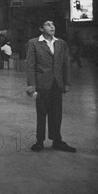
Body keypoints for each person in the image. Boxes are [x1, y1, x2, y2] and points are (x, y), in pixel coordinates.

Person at [26, 20, 76, 153]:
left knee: (57, 114)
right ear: (41, 28)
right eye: (48, 25)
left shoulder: (61, 43)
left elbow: (66, 65)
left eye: (53, 24)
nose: (52, 26)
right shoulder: (34, 43)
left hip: (57, 84)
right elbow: (30, 66)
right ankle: (39, 141)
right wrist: (31, 85)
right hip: (42, 84)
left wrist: (67, 83)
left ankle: (57, 141)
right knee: (42, 113)